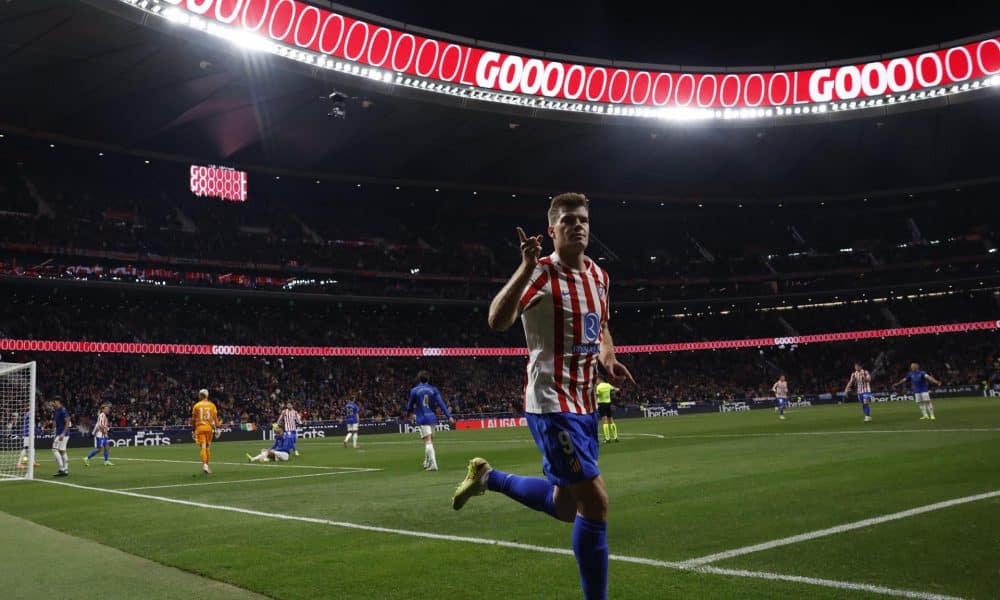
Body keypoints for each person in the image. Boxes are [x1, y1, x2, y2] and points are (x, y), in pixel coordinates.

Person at [452, 193, 634, 600]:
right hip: (552, 404)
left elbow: (601, 324)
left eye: (583, 219)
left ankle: (488, 477)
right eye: (568, 220)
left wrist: (608, 355)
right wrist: (525, 267)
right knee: (596, 503)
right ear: (552, 230)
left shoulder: (600, 277)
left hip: (584, 404)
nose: (578, 225)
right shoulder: (541, 273)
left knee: (566, 506)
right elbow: (497, 320)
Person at [405, 371, 455, 471]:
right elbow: (441, 403)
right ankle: (427, 461)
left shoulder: (414, 390)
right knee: (430, 441)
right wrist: (448, 416)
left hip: (422, 418)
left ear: (419, 379)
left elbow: (410, 405)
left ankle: (434, 465)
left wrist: (408, 414)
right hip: (432, 417)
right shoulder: (433, 389)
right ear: (428, 379)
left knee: (427, 441)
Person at [191, 389, 221, 474]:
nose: (198, 396)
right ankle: (206, 466)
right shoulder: (212, 405)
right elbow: (215, 419)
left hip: (200, 428)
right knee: (207, 447)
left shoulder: (196, 405)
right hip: (209, 429)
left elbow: (193, 420)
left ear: (202, 395)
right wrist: (218, 429)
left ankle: (205, 465)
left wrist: (193, 430)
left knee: (203, 447)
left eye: (199, 394)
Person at [595, 375, 619, 442]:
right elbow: (616, 389)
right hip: (608, 404)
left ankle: (607, 439)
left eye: (596, 380)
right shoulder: (608, 385)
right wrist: (613, 391)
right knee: (611, 420)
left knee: (604, 420)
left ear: (599, 380)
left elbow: (596, 395)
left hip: (602, 404)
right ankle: (615, 437)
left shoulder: (598, 387)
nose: (595, 382)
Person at [51, 397, 71, 477]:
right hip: (59, 433)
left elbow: (67, 421)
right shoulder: (56, 410)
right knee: (62, 451)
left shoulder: (63, 410)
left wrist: (63, 433)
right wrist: (53, 429)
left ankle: (61, 469)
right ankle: (65, 469)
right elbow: (55, 421)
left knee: (54, 449)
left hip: (63, 434)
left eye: (53, 402)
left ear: (58, 402)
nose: (52, 403)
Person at [17, 404, 39, 470]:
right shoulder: (29, 414)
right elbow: (32, 425)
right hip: (27, 434)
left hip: (29, 434)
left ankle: (33, 462)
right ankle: (19, 464)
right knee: (25, 448)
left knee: (32, 448)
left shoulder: (27, 414)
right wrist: (38, 430)